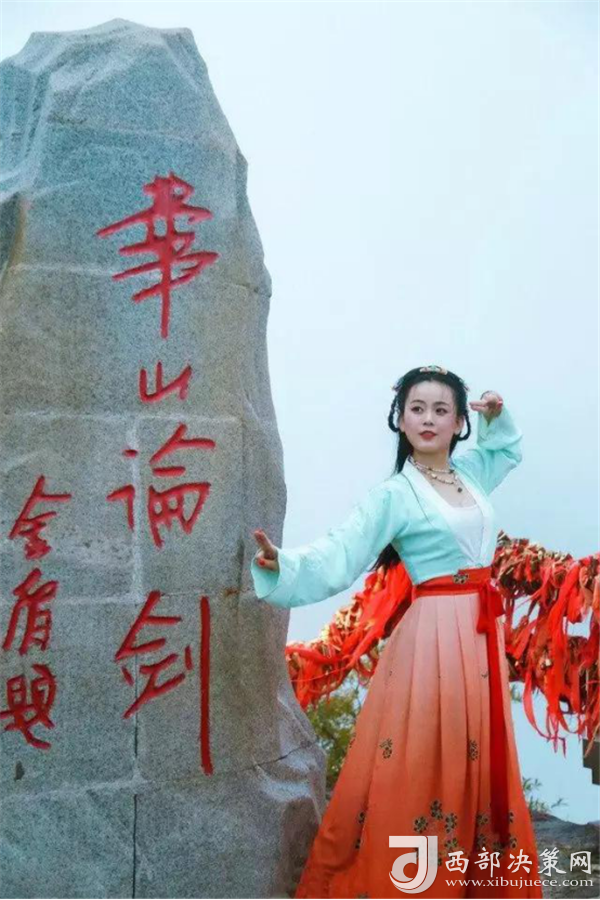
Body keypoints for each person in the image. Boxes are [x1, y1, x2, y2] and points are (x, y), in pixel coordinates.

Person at [250, 365, 543, 899]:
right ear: (400, 419)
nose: (428, 419)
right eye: (417, 409)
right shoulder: (395, 495)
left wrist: (497, 415)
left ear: (459, 422)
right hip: (433, 641)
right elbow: (341, 551)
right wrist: (282, 565)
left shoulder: (471, 474)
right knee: (428, 762)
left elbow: (506, 450)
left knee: (475, 756)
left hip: (481, 637)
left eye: (441, 410)